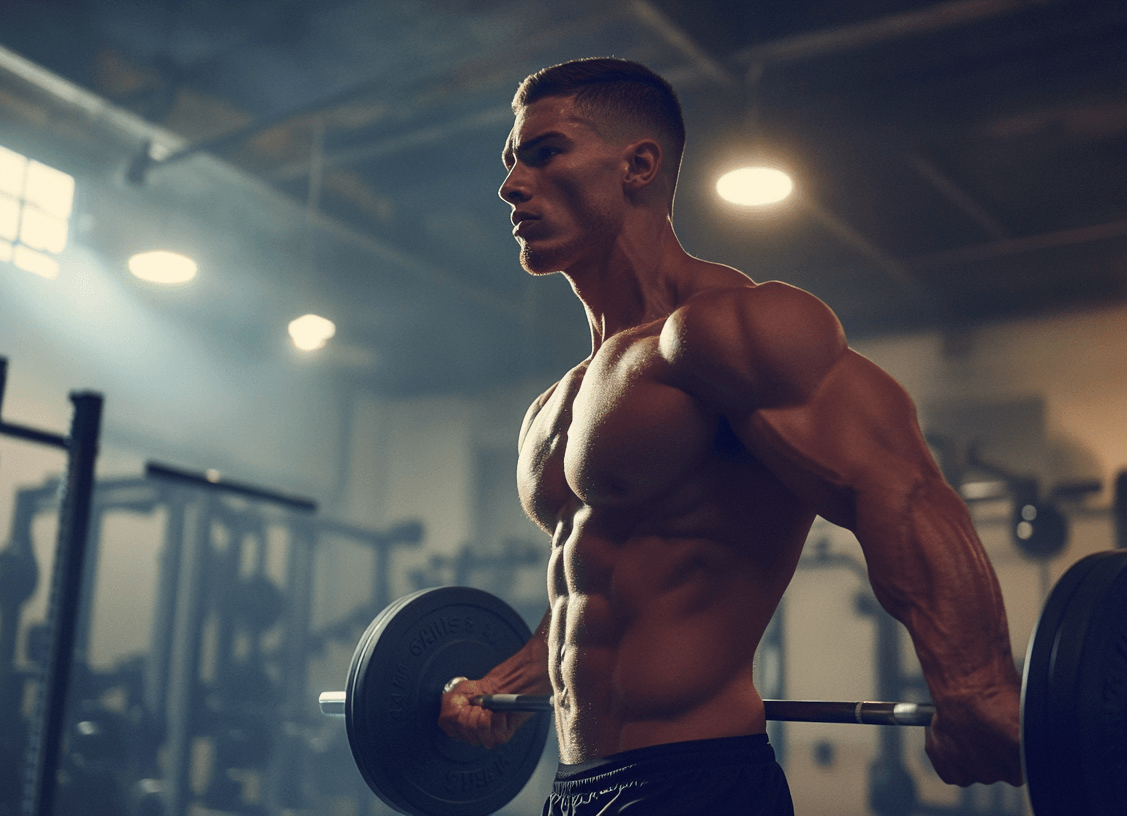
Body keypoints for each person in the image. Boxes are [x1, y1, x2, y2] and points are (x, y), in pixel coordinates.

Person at [438, 57, 1022, 815]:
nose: (512, 184)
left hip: (700, 783)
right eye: (512, 161)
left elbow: (899, 488)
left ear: (638, 165)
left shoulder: (730, 330)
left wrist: (975, 684)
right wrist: (505, 683)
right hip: (575, 789)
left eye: (545, 153)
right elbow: (597, 584)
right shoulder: (557, 403)